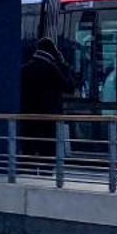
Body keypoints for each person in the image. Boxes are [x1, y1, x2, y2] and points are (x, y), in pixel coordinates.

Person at [19, 36, 74, 170]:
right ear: (52, 51)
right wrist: (64, 65)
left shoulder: (24, 69)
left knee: (29, 156)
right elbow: (70, 87)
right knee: (48, 156)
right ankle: (45, 176)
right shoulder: (52, 69)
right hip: (48, 120)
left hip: (28, 121)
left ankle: (29, 177)